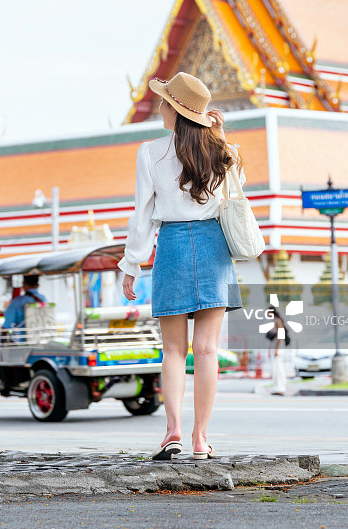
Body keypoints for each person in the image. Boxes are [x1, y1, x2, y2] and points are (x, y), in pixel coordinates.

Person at [118, 72, 244, 461]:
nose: (159, 106)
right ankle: (200, 438)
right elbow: (236, 189)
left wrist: (132, 263)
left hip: (171, 245)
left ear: (175, 110)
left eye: (164, 101)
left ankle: (172, 431)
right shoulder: (221, 151)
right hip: (213, 247)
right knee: (206, 350)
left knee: (173, 350)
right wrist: (220, 138)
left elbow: (142, 215)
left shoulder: (149, 152)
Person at [0, 274, 47, 375]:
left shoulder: (18, 302)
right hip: (39, 338)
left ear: (23, 284)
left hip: (19, 341)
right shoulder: (44, 300)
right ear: (38, 285)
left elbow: (6, 327)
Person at [265, 306, 288, 395]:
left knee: (278, 368)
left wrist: (276, 349)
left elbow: (280, 336)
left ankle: (281, 388)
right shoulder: (273, 321)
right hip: (274, 347)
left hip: (278, 348)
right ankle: (277, 388)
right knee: (275, 368)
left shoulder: (278, 321)